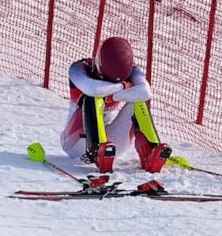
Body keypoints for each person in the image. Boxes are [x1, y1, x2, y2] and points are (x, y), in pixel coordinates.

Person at [59, 36, 171, 173]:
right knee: (93, 98)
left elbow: (145, 92)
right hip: (77, 143)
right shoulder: (79, 68)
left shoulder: (134, 71)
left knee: (139, 101)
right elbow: (93, 89)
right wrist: (124, 86)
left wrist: (114, 91)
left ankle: (150, 151)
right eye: (107, 80)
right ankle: (96, 151)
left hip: (112, 146)